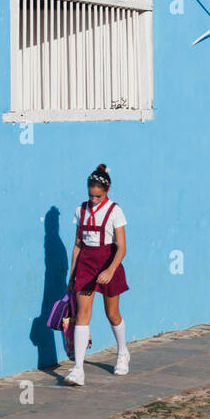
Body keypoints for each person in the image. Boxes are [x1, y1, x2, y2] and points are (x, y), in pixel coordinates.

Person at [64, 164, 130, 386]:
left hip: (109, 261)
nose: (93, 200)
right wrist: (71, 276)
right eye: (90, 195)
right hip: (86, 264)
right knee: (83, 314)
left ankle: (122, 353)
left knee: (112, 314)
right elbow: (77, 245)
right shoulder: (80, 210)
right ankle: (78, 369)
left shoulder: (115, 211)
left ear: (107, 191)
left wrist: (110, 270)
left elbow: (122, 247)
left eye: (98, 196)